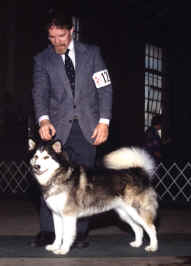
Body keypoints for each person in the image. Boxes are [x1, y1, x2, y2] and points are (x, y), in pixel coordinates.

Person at [30, 10, 112, 248]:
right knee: (48, 179)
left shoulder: (93, 53)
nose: (57, 41)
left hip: (88, 127)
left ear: (72, 31)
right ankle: (49, 232)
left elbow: (105, 89)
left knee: (83, 182)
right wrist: (43, 120)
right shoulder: (42, 59)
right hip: (55, 129)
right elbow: (40, 92)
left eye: (61, 36)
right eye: (52, 37)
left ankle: (79, 235)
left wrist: (104, 122)